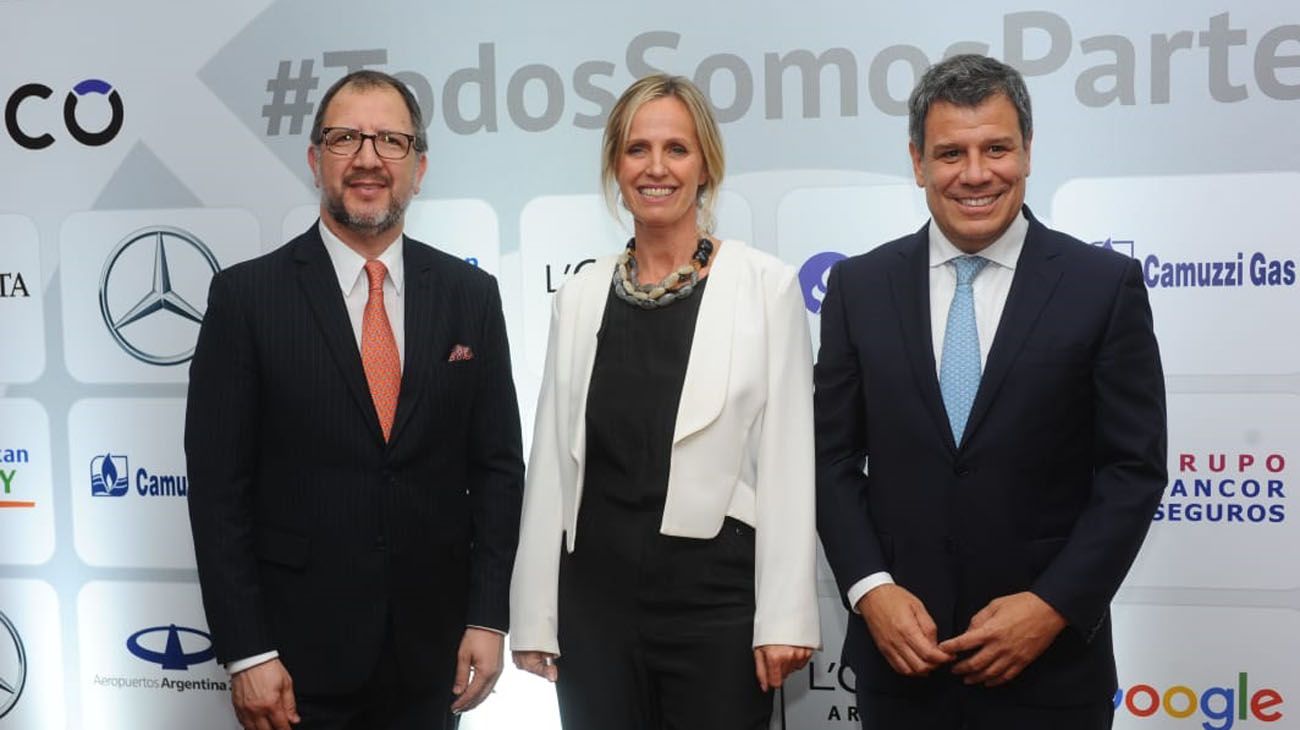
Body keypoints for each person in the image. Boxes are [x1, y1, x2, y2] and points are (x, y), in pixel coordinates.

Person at [814, 54, 1167, 729]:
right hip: (903, 669)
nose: (976, 173)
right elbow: (829, 461)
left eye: (996, 148)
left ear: (1028, 152)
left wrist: (1053, 606)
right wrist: (871, 590)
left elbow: (1133, 470)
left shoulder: (1102, 286)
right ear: (917, 162)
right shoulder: (859, 289)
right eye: (951, 152)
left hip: (1052, 672)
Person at [185, 70, 524, 730]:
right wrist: (247, 650)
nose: (368, 159)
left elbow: (498, 469)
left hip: (434, 661)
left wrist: (488, 615)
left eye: (391, 141)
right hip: (294, 664)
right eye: (346, 138)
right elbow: (220, 489)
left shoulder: (469, 296)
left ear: (419, 167)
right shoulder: (246, 300)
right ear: (316, 160)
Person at [508, 73, 819, 729]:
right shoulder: (581, 292)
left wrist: (785, 616)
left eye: (676, 149)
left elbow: (790, 462)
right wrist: (536, 612)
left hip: (717, 604)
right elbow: (553, 467)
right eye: (636, 150)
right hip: (594, 608)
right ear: (615, 168)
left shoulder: (766, 286)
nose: (656, 168)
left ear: (705, 164)